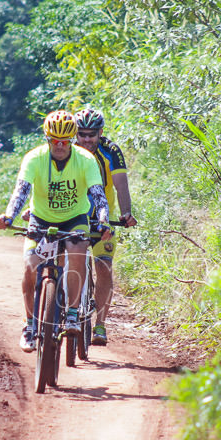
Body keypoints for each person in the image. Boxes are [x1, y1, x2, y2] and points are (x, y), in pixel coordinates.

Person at [0, 110, 112, 352]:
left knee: (78, 251)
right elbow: (21, 191)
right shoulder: (34, 158)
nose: (59, 146)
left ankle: (71, 313)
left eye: (65, 141)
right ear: (47, 139)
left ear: (72, 140)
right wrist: (8, 216)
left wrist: (103, 221)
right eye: (54, 141)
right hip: (41, 219)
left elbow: (99, 196)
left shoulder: (86, 160)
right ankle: (29, 325)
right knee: (30, 266)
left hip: (75, 218)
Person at [72, 106, 137, 346]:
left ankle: (100, 324)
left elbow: (121, 185)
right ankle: (63, 307)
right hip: (72, 216)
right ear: (75, 133)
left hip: (102, 219)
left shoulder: (111, 151)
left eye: (92, 134)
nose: (87, 139)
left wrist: (126, 212)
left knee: (103, 267)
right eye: (82, 134)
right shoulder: (65, 150)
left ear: (100, 132)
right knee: (65, 259)